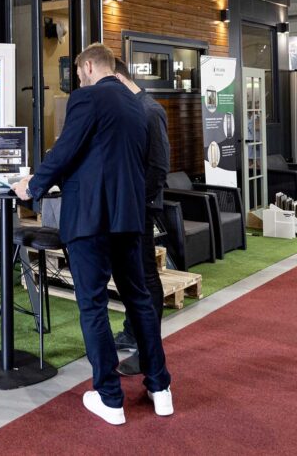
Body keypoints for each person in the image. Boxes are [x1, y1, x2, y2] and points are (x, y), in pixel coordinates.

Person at [12, 44, 172, 425]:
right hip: (129, 219)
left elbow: (65, 151)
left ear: (87, 66)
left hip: (90, 220)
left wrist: (32, 185)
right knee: (139, 301)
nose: (77, 80)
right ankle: (161, 387)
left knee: (93, 305)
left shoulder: (86, 99)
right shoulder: (137, 104)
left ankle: (110, 397)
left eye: (78, 72)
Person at [111, 59, 169, 377]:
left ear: (119, 78)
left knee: (145, 277)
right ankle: (132, 332)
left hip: (141, 209)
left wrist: (138, 202)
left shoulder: (150, 110)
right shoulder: (130, 109)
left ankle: (148, 351)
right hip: (127, 207)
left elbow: (158, 167)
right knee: (129, 274)